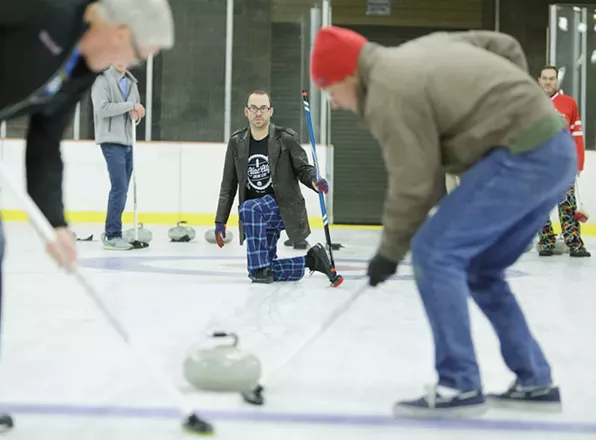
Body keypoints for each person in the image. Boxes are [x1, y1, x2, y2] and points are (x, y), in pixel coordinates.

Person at [0, 0, 173, 432]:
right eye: (138, 53)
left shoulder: (78, 70)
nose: (130, 63)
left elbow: (44, 147)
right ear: (118, 30)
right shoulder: (45, 10)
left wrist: (55, 224)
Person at [310, 26, 569, 419]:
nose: (337, 104)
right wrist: (520, 101)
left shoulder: (386, 93)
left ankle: (458, 384)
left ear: (348, 75)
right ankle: (535, 379)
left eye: (331, 92)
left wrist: (389, 252)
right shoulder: (420, 49)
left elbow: (417, 185)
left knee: (434, 252)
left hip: (523, 155)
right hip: (555, 151)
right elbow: (506, 45)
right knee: (483, 270)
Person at [214, 90, 337, 284]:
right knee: (259, 271)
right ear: (246, 111)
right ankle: (311, 260)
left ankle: (266, 267)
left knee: (249, 208)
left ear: (270, 111)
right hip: (257, 219)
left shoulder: (285, 139)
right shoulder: (237, 142)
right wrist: (220, 220)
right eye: (253, 108)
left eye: (263, 108)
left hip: (282, 207)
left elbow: (303, 168)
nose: (258, 113)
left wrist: (314, 180)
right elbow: (228, 185)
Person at [536, 65, 590, 257]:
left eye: (552, 78)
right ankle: (546, 242)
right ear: (539, 80)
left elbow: (577, 134)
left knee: (567, 205)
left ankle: (574, 244)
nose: (548, 81)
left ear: (556, 81)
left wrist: (579, 162)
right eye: (545, 78)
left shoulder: (569, 103)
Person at [92, 64, 145, 250]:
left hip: (128, 141)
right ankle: (112, 234)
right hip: (110, 140)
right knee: (119, 186)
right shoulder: (101, 80)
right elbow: (102, 109)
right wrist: (131, 106)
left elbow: (133, 114)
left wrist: (137, 113)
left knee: (123, 188)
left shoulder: (132, 82)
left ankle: (115, 232)